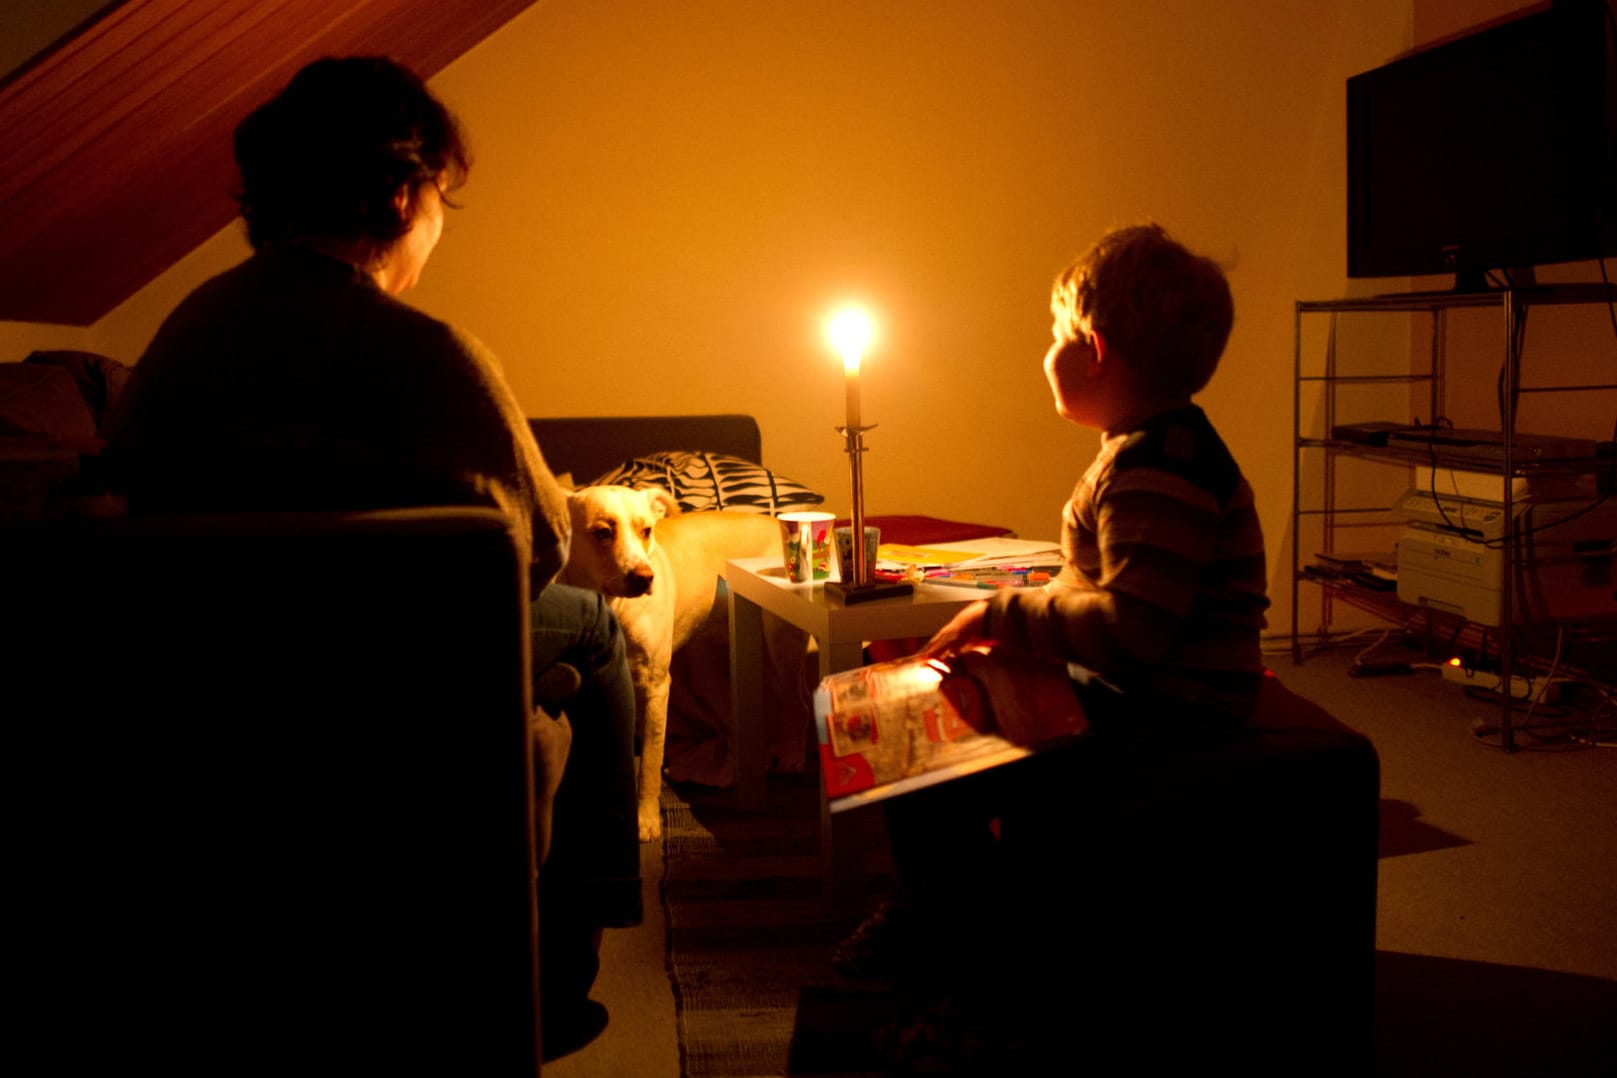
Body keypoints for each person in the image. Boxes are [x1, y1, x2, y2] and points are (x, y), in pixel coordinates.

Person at [104, 56, 640, 1060]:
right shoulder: (430, 353)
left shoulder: (191, 332)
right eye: (443, 195)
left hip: (215, 678)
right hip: (396, 674)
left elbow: (131, 478)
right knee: (600, 627)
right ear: (404, 193)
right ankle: (560, 970)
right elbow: (545, 543)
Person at [833, 222, 1270, 1070]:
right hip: (1131, 687)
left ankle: (977, 970)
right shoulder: (1147, 450)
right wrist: (1017, 620)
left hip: (1168, 709)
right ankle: (937, 916)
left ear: (1094, 351)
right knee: (899, 695)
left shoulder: (1159, 468)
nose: (1045, 353)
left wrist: (1004, 621)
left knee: (916, 741)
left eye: (1054, 335)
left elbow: (1134, 631)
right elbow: (1102, 598)